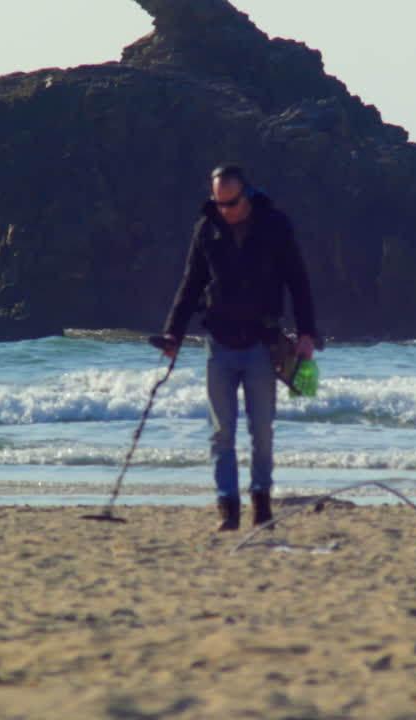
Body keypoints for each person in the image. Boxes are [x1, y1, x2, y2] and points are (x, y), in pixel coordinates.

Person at [159, 164, 320, 530]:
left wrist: (307, 332)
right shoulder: (207, 229)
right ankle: (227, 508)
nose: (225, 211)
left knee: (261, 431)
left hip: (263, 344)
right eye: (219, 203)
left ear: (246, 195)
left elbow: (298, 281)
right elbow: (190, 284)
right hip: (219, 343)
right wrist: (173, 335)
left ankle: (262, 505)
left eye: (231, 203)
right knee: (221, 433)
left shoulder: (275, 226)